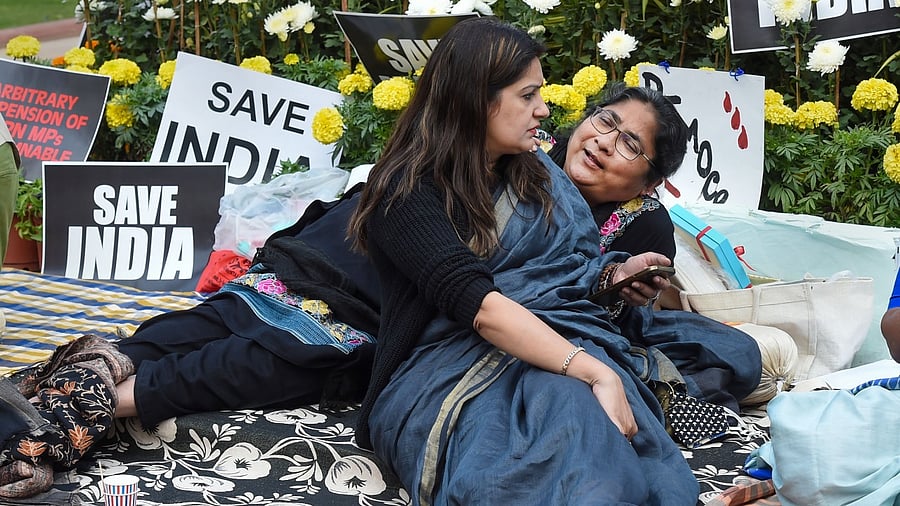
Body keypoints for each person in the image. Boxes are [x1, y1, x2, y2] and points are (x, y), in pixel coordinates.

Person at [347, 17, 702, 504]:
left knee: (591, 422)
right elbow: (482, 306)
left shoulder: (535, 176)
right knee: (558, 421)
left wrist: (609, 279)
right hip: (441, 371)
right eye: (528, 95)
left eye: (629, 143)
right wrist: (595, 371)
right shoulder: (403, 193)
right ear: (476, 96)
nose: (543, 109)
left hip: (548, 347)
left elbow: (561, 274)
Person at [552, 85, 762, 411]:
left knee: (739, 352)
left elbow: (618, 324)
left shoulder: (646, 222)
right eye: (605, 121)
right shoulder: (525, 163)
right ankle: (648, 395)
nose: (604, 142)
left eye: (630, 144)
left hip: (602, 330)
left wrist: (618, 283)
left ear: (650, 184)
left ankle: (645, 390)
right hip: (533, 328)